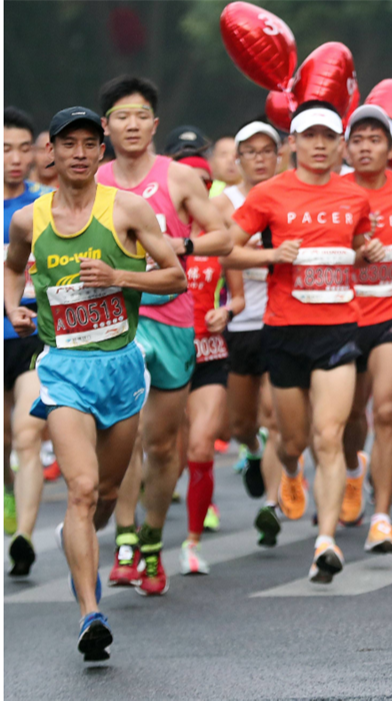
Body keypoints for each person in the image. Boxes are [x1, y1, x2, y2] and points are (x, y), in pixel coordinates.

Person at [4, 106, 186, 660]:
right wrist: (12, 306)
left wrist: (119, 276)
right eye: (68, 144)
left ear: (101, 152)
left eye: (89, 143)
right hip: (61, 366)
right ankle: (91, 614)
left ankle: (80, 538)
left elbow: (175, 275)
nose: (79, 153)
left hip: (121, 366)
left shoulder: (127, 209)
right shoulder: (29, 221)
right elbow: (13, 266)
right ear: (50, 154)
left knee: (107, 495)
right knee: (80, 489)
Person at [226, 100, 378, 583]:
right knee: (293, 440)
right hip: (284, 329)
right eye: (309, 136)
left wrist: (364, 254)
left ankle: (326, 541)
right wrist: (271, 254)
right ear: (293, 143)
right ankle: (289, 470)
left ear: (338, 146)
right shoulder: (270, 194)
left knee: (328, 437)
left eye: (327, 138)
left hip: (337, 329)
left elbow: (358, 251)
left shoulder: (354, 196)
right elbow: (227, 247)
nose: (318, 145)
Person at [96, 75, 231, 596]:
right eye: (120, 117)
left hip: (173, 315)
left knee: (161, 443)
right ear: (105, 126)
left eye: (140, 116)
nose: (131, 125)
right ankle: (126, 539)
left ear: (154, 124)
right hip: (116, 319)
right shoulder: (95, 179)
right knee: (123, 434)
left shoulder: (176, 177)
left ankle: (152, 540)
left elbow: (223, 234)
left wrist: (183, 244)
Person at [341, 105, 392, 553]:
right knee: (351, 416)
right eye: (358, 139)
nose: (366, 147)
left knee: (387, 410)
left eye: (375, 139)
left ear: (391, 148)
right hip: (346, 315)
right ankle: (355, 473)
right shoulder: (335, 191)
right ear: (346, 147)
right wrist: (357, 255)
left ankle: (382, 518)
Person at [215, 119, 283, 545]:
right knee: (240, 422)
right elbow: (224, 254)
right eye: (250, 152)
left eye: (266, 151)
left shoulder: (291, 195)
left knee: (275, 416)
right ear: (237, 158)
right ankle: (252, 453)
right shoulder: (224, 203)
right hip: (240, 321)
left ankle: (271, 506)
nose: (259, 159)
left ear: (278, 156)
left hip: (283, 318)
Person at [4, 107, 51, 576]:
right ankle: (8, 494)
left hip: (32, 334)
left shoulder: (47, 205)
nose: (16, 159)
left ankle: (24, 538)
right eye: (5, 149)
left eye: (24, 148)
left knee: (26, 434)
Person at [179, 238, 244, 574]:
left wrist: (227, 311)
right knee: (166, 455)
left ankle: (192, 543)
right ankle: (137, 539)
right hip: (166, 355)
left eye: (204, 181)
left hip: (210, 354)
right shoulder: (151, 229)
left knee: (202, 446)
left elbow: (239, 298)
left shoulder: (218, 240)